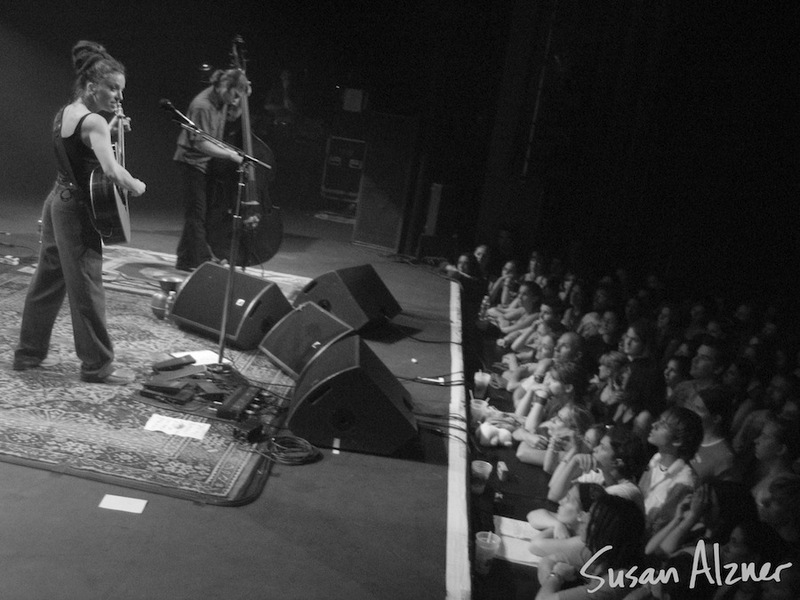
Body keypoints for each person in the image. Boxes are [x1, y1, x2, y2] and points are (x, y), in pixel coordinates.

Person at [13, 41, 146, 385]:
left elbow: (78, 148)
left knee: (48, 278)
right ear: (91, 86)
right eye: (112, 88)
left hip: (57, 200)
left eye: (121, 89)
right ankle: (97, 365)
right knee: (86, 286)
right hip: (77, 211)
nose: (119, 96)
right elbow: (112, 171)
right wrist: (136, 185)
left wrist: (112, 128)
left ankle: (28, 353)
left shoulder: (66, 112)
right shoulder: (94, 123)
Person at [173, 68, 248, 272]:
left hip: (205, 163)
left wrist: (241, 102)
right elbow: (200, 144)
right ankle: (202, 261)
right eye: (234, 95)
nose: (233, 101)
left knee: (198, 214)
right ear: (225, 87)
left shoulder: (222, 101)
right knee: (196, 214)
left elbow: (233, 116)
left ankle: (185, 259)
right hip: (191, 162)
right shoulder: (202, 106)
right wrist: (230, 155)